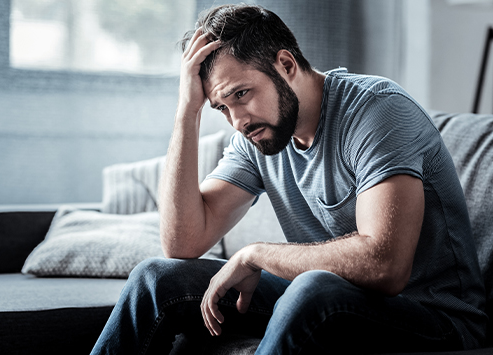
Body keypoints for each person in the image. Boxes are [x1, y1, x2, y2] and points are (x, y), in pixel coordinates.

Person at [91, 4, 487, 354]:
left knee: (313, 289)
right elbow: (182, 242)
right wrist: (186, 111)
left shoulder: (377, 112)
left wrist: (256, 254)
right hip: (326, 301)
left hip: (435, 317)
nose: (237, 120)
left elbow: (385, 266)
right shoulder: (257, 136)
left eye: (242, 94)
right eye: (221, 108)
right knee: (156, 279)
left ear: (286, 65)